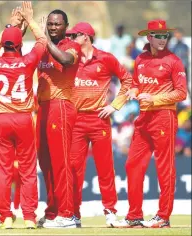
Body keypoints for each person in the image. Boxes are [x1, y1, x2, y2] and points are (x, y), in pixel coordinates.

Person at [112, 19, 187, 228]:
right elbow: (136, 84)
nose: (163, 40)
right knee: (132, 164)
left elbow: (182, 92)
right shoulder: (141, 59)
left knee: (165, 168)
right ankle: (134, 216)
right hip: (143, 118)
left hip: (164, 116)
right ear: (149, 37)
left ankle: (163, 217)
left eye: (165, 36)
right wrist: (133, 91)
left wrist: (155, 98)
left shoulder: (174, 61)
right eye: (158, 36)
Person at [0, 1, 47, 229]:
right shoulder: (28, 61)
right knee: (28, 169)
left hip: (1, 120)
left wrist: (11, 25)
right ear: (21, 44)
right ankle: (29, 217)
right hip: (23, 119)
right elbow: (42, 42)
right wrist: (30, 20)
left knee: (2, 170)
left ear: (4, 43)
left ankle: (5, 217)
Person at [67, 22, 132, 227]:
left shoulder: (105, 58)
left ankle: (111, 213)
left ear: (86, 36)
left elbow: (128, 81)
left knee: (105, 168)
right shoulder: (70, 59)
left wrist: (115, 106)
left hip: (99, 119)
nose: (70, 39)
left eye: (74, 35)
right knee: (74, 169)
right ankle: (73, 215)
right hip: (75, 121)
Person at [36, 9, 81, 228]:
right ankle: (53, 211)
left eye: (57, 24)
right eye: (50, 24)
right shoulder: (43, 48)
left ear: (66, 26)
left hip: (61, 105)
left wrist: (44, 40)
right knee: (46, 163)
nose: (53, 27)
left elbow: (65, 60)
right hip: (43, 108)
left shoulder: (71, 46)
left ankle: (67, 214)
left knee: (60, 162)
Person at [170, 27, 190, 95]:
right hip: (176, 69)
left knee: (185, 85)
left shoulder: (185, 46)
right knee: (176, 86)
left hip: (184, 68)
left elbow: (186, 58)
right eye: (176, 34)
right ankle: (177, 103)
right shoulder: (173, 47)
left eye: (178, 34)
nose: (177, 35)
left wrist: (183, 67)